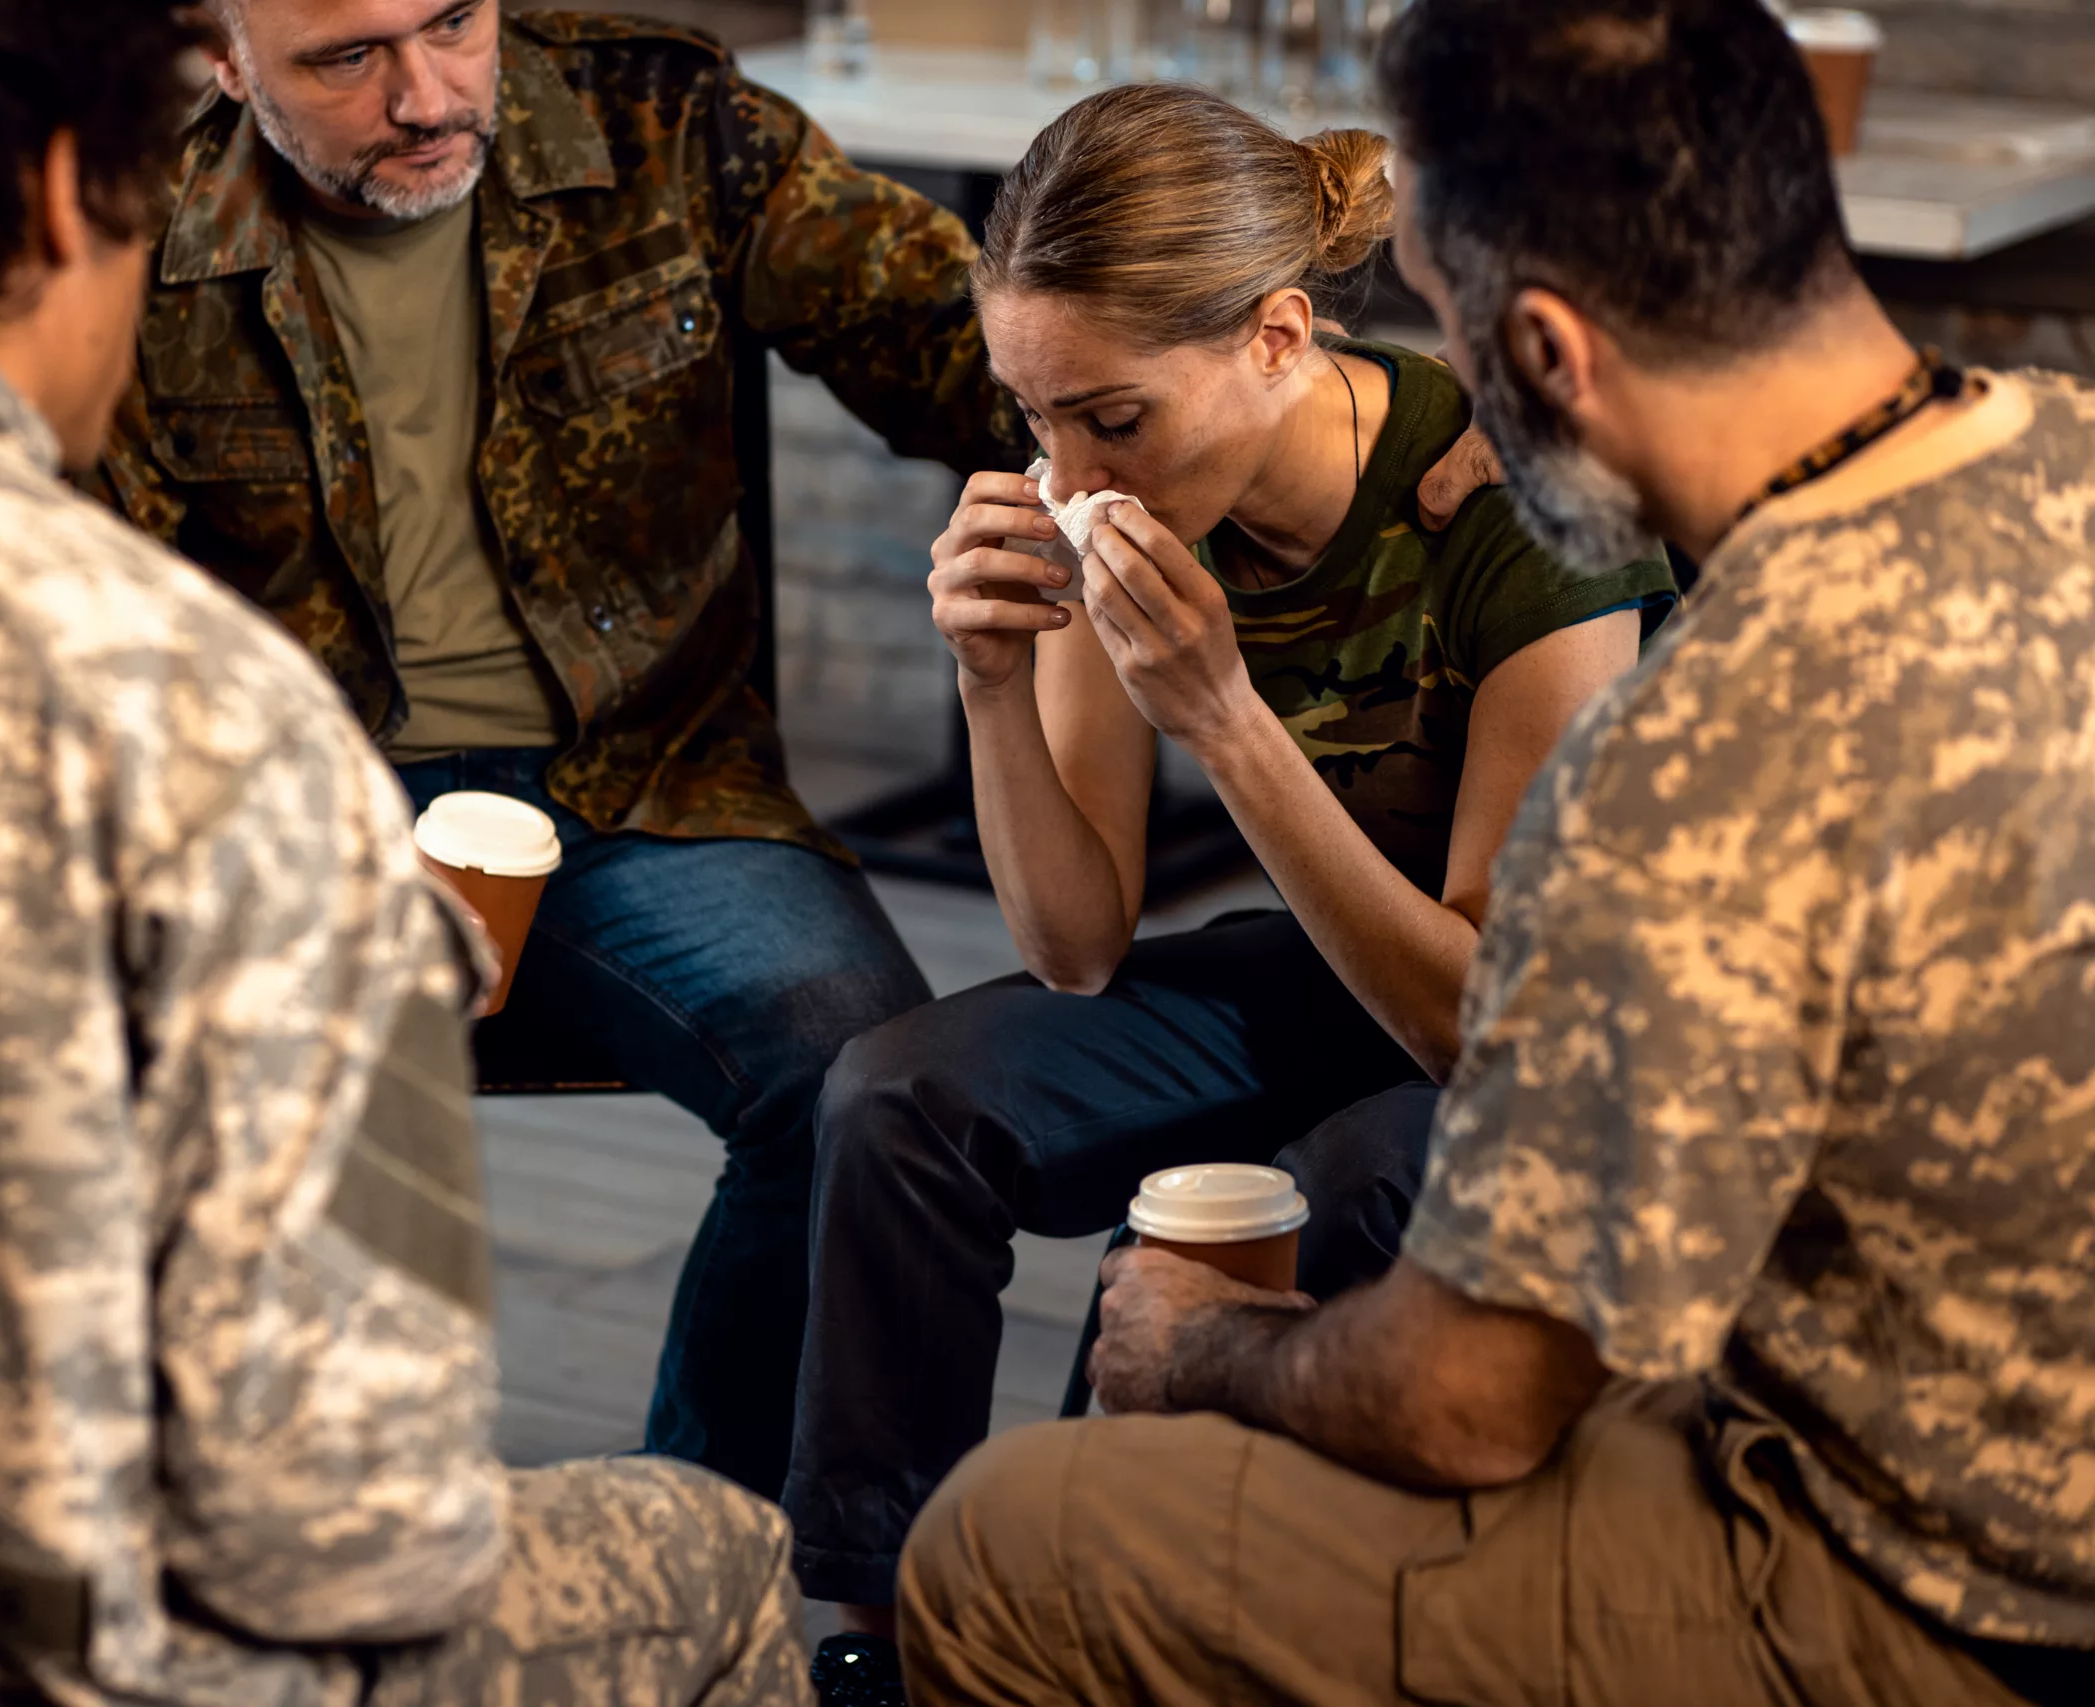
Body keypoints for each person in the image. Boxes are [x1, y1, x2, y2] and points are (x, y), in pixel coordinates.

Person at [0, 4, 808, 1703]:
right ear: (69, 194)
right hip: (37, 1665)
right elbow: (360, 1536)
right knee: (716, 1552)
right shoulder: (208, 719)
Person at [896, 2, 2095, 1704]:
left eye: (1457, 346)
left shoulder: (1693, 757)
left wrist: (1213, 1344)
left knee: (1011, 1536)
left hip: (1935, 1584)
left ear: (1542, 348)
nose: (1442, 418)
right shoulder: (2065, 455)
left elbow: (1467, 1396)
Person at [83, 0, 1034, 1508]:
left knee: (868, 1079)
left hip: (647, 780)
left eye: (453, 23)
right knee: (122, 1074)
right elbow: (88, 608)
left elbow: (964, 343)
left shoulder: (667, 123)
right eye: (348, 59)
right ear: (222, 55)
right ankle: (248, 1553)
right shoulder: (126, 207)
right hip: (293, 804)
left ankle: (722, 1551)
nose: (426, 95)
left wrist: (1289, 423)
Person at [786, 81, 1678, 1643]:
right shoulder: (1118, 508)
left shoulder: (1526, 517)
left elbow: (1483, 1032)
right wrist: (992, 681)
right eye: (1034, 413)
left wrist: (1227, 720)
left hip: (1565, 1037)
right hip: (1348, 963)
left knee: (1344, 1180)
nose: (1071, 472)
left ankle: (1111, 1606)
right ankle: (879, 1623)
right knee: (897, 1097)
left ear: (1278, 337)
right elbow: (1074, 946)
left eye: (1112, 416)